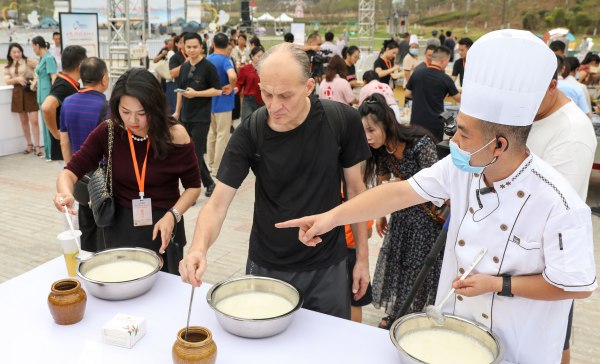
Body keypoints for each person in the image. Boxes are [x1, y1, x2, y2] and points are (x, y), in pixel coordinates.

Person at [276, 30, 597, 363]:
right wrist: (328, 219)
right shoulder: (464, 170)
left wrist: (497, 284)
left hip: (519, 347)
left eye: (463, 133)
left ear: (498, 146)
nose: (453, 140)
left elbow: (577, 285)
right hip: (456, 337)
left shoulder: (559, 203)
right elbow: (397, 193)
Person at [179, 43, 372, 319]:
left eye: (285, 96)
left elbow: (357, 193)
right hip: (267, 264)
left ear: (308, 86)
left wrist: (362, 260)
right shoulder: (251, 130)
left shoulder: (341, 120)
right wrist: (199, 247)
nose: (274, 106)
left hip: (327, 264)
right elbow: (217, 204)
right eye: (266, 93)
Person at [54, 68, 201, 273]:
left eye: (142, 113)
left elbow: (194, 187)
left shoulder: (174, 135)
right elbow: (69, 172)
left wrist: (173, 215)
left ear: (156, 107)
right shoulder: (109, 131)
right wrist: (65, 193)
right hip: (119, 229)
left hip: (163, 227)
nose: (133, 121)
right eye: (125, 112)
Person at [528, 52, 597, 364]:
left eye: (529, 92)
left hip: (548, 259)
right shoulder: (533, 113)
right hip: (521, 252)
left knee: (554, 341)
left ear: (553, 85)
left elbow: (551, 204)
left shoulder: (572, 132)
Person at [359, 93, 442, 329]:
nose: (367, 137)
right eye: (363, 131)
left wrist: (398, 185)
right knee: (399, 264)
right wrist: (380, 214)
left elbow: (435, 184)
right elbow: (382, 182)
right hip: (402, 217)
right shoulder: (383, 151)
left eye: (371, 130)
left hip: (427, 220)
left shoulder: (420, 143)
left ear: (386, 123)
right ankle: (396, 311)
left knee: (419, 268)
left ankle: (414, 316)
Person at [58, 57, 109, 251]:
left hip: (79, 178)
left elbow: (64, 142)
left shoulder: (68, 102)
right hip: (102, 181)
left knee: (86, 227)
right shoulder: (106, 106)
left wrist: (73, 172)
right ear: (104, 79)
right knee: (104, 230)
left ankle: (86, 265)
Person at [173, 33, 222, 198]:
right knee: (189, 153)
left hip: (201, 117)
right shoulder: (185, 67)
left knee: (194, 154)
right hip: (185, 116)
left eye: (195, 47)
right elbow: (180, 90)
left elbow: (218, 90)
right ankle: (209, 183)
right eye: (189, 47)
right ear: (183, 48)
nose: (192, 50)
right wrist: (177, 112)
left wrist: (197, 94)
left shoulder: (208, 67)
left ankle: (192, 191)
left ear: (202, 47)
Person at [41, 45, 87, 162]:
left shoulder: (67, 82)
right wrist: (56, 133)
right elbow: (46, 107)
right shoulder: (63, 85)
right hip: (64, 148)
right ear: (80, 66)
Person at [405, 46, 460, 142]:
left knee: (415, 149)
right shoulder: (445, 78)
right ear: (443, 60)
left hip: (416, 122)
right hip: (434, 124)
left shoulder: (417, 73)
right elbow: (458, 98)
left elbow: (407, 93)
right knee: (433, 152)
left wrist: (419, 96)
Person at [206, 33, 237, 177]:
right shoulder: (226, 60)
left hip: (209, 101)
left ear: (213, 43)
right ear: (227, 45)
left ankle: (211, 164)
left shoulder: (207, 59)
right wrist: (231, 86)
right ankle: (217, 168)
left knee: (211, 134)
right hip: (223, 102)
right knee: (222, 135)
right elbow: (232, 76)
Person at [4, 43, 41, 156]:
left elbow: (40, 68)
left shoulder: (28, 61)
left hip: (30, 92)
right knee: (24, 121)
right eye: (14, 52)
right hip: (17, 93)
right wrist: (17, 79)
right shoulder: (8, 66)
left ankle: (38, 146)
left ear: (22, 52)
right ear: (10, 54)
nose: (17, 54)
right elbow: (6, 80)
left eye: (19, 51)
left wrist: (35, 81)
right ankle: (29, 145)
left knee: (34, 120)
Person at [32, 35, 57, 160]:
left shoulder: (48, 58)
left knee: (49, 124)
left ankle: (52, 153)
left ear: (37, 45)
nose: (33, 49)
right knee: (45, 124)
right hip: (41, 94)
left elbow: (53, 77)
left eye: (33, 46)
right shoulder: (42, 59)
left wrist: (53, 94)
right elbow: (38, 76)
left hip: (47, 94)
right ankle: (48, 153)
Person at [236, 45, 265, 122]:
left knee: (260, 123)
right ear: (252, 56)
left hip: (263, 99)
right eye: (258, 56)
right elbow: (239, 83)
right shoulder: (245, 69)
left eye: (263, 56)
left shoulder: (267, 69)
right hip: (249, 100)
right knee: (246, 123)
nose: (261, 59)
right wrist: (236, 89)